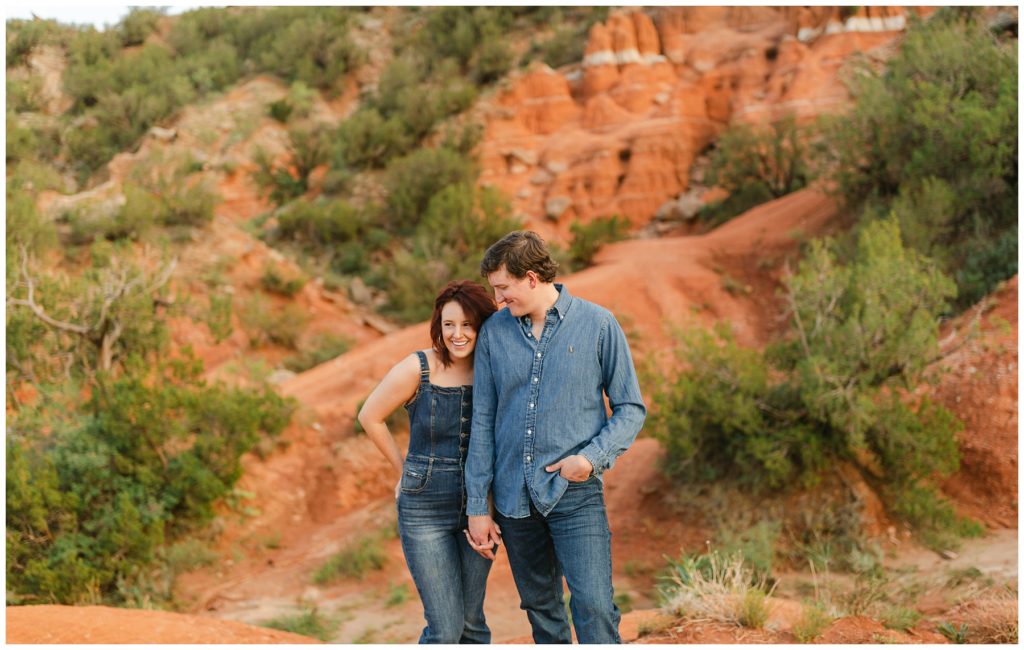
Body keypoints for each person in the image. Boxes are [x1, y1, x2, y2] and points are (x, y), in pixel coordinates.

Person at [464, 230, 647, 644]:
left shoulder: (599, 324)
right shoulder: (495, 333)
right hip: (513, 500)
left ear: (531, 278)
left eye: (503, 289)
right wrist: (478, 505)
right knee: (542, 610)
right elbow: (484, 420)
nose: (498, 301)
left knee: (595, 605)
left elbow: (630, 408)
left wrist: (591, 459)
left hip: (575, 493)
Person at [358, 280, 498, 644]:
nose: (458, 334)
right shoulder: (419, 367)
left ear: (483, 324)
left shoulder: (493, 371)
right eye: (449, 324)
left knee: (473, 623)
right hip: (424, 509)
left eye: (468, 324)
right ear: (438, 325)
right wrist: (404, 472)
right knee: (446, 628)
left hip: (479, 504)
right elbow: (370, 416)